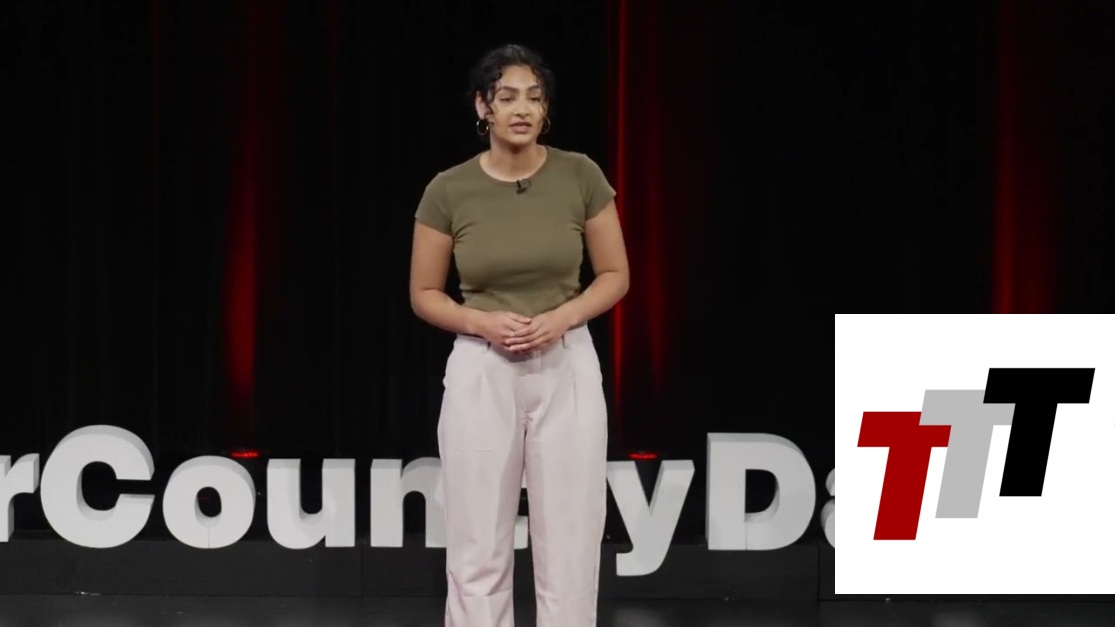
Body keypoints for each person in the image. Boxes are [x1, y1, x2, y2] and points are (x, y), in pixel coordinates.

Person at [408, 43, 630, 627]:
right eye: (507, 97)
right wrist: (482, 322)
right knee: (477, 538)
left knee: (572, 540)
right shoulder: (449, 190)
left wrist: (564, 317)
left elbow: (615, 274)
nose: (523, 108)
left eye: (534, 97)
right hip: (482, 366)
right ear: (483, 107)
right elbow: (424, 292)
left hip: (566, 361)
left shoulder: (579, 174)